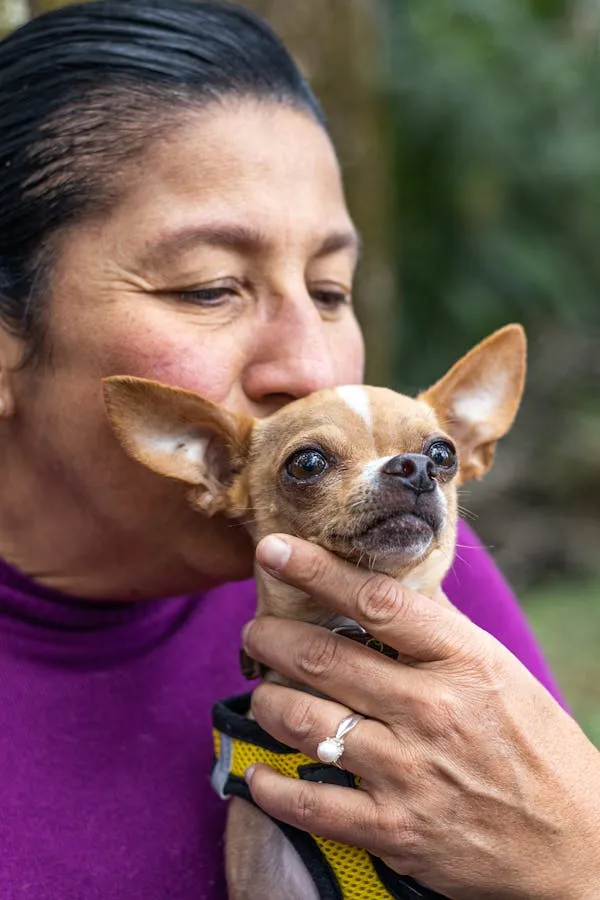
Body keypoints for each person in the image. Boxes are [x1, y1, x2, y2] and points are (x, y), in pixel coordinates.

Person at [0, 1, 597, 898]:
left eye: (329, 288)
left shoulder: (413, 573)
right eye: (210, 289)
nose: (311, 367)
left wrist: (576, 855)